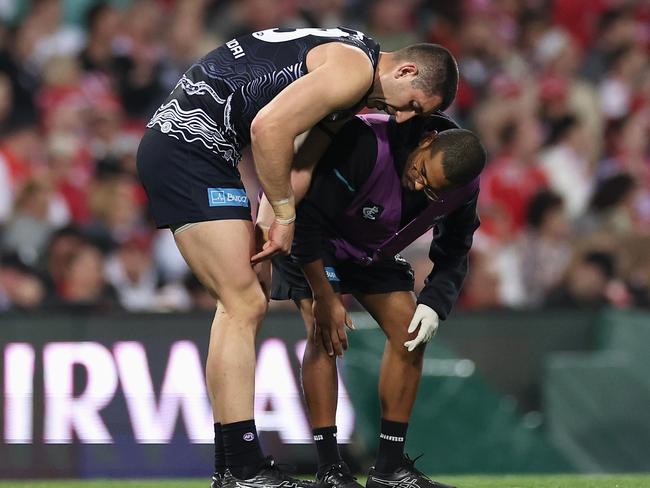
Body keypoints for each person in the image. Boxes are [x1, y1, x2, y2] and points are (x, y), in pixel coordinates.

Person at [135, 27, 459, 488]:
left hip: (203, 147)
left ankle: (232, 469)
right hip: (189, 147)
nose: (404, 119)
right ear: (406, 70)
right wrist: (285, 212)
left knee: (246, 300)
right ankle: (243, 471)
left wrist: (272, 215)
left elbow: (303, 159)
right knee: (242, 303)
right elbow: (268, 129)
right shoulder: (354, 70)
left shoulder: (354, 71)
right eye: (413, 104)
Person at [269, 112, 486, 488]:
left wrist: (435, 301)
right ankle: (330, 469)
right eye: (421, 171)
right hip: (310, 238)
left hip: (371, 246)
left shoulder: (462, 188)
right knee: (325, 333)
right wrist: (325, 296)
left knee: (411, 333)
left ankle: (389, 469)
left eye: (432, 190)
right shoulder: (367, 142)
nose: (419, 186)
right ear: (426, 140)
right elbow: (308, 219)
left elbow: (454, 250)